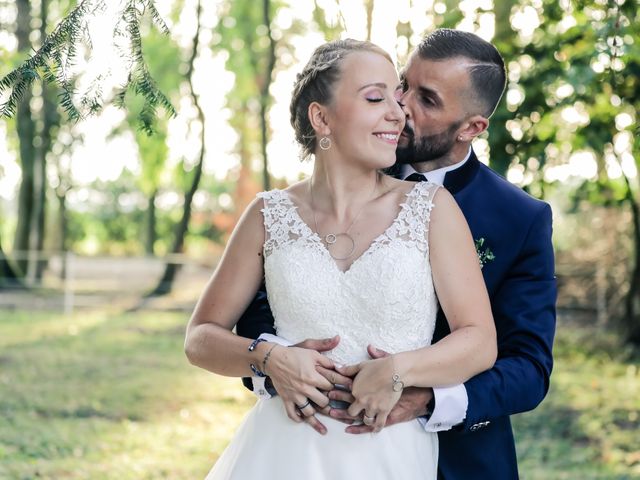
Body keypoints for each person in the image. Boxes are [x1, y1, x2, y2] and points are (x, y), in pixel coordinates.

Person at [238, 29, 557, 479]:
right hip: (309, 444)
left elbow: (527, 365)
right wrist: (279, 367)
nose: (401, 106)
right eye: (402, 85)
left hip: (458, 459)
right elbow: (263, 311)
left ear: (471, 127)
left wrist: (425, 396)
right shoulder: (336, 175)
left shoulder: (519, 218)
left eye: (426, 100)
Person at [185, 38, 497, 479]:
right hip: (280, 453)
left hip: (389, 453)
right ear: (321, 117)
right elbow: (200, 338)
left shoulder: (431, 208)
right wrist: (271, 359)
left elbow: (481, 341)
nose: (398, 111)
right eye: (376, 97)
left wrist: (396, 370)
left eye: (397, 95)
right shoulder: (268, 214)